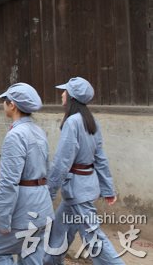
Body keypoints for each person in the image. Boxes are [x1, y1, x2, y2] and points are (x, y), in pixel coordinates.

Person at [44, 77, 122, 264]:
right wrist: (108, 189)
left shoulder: (73, 122)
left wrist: (49, 192)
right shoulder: (91, 120)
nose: (62, 94)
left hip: (78, 190)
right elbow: (100, 158)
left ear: (71, 97)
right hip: (84, 187)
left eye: (65, 91)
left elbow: (62, 162)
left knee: (94, 239)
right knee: (59, 231)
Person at [0, 83, 54, 264]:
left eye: (4, 101)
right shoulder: (39, 131)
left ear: (12, 104)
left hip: (23, 208)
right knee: (31, 255)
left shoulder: (16, 135)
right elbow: (49, 169)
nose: (3, 105)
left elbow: (8, 182)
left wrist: (3, 219)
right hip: (42, 204)